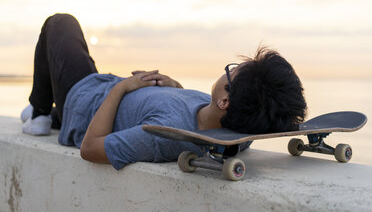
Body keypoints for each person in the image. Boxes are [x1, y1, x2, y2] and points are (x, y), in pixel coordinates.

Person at [20, 13, 307, 170]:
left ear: (224, 101)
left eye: (232, 71)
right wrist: (174, 88)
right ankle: (51, 114)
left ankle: (41, 112)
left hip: (85, 101)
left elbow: (91, 148)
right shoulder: (236, 130)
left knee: (60, 24)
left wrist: (121, 89)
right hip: (106, 92)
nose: (227, 70)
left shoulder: (162, 134)